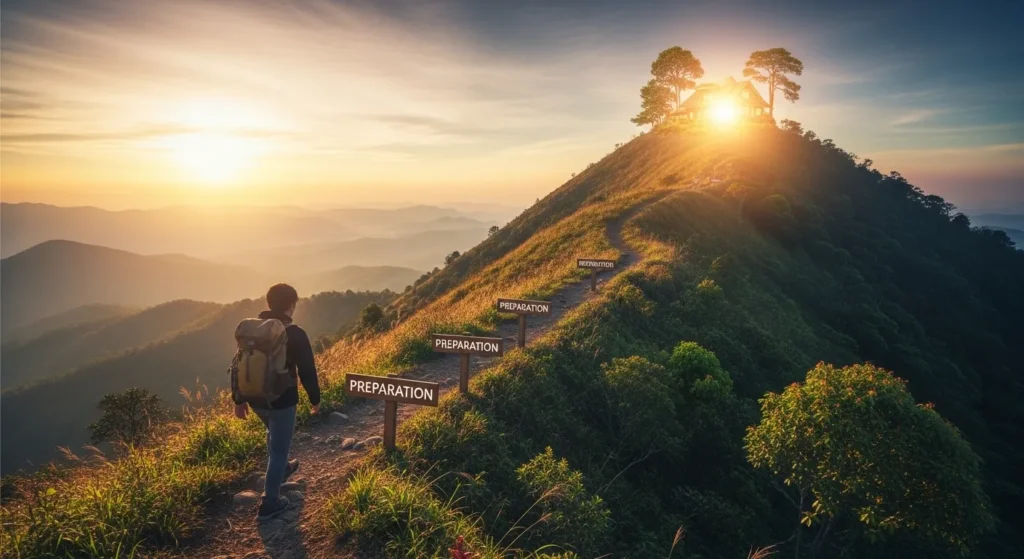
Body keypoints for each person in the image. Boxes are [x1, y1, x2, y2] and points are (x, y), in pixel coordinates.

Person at [233, 283, 321, 521]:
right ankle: (270, 502)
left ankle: (281, 470)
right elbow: (307, 370)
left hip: (254, 398)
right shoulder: (295, 333)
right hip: (282, 399)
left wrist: (238, 400)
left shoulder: (253, 331)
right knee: (280, 449)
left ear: (269, 303)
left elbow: (238, 365)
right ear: (292, 305)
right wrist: (315, 399)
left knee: (274, 435)